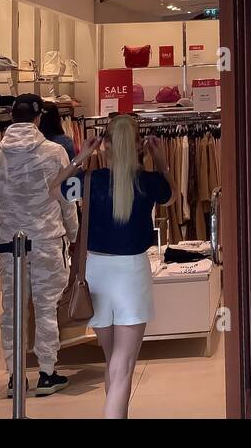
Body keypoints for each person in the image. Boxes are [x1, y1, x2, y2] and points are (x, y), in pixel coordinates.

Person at [52, 114, 172, 419]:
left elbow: (55, 189)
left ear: (104, 145)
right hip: (131, 274)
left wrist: (81, 156)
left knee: (113, 361)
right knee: (124, 364)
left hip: (96, 274)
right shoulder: (149, 182)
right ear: (139, 147)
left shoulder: (89, 181)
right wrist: (161, 161)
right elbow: (172, 198)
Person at [0, 93, 79, 398]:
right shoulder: (55, 153)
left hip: (12, 246)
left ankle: (15, 377)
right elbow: (68, 201)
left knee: (12, 311)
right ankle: (47, 373)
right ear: (37, 119)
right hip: (48, 241)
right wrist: (74, 236)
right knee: (47, 308)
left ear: (11, 117)